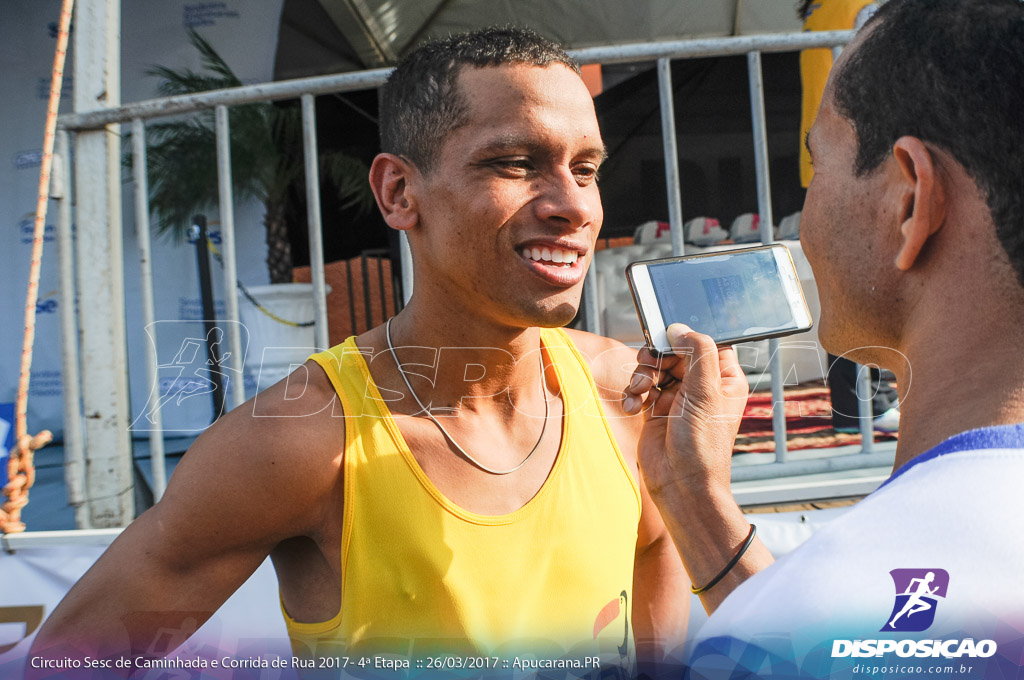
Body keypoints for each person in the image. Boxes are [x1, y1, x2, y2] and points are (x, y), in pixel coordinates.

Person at [29, 27, 689, 674]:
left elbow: (658, 569)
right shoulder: (300, 441)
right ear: (399, 193)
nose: (573, 205)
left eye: (586, 168)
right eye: (514, 163)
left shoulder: (627, 394)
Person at [623, 0, 1024, 675]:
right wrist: (694, 501)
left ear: (907, 203)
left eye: (816, 165)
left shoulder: (790, 622)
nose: (803, 213)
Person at [799, 0, 900, 435]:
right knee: (868, 282)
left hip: (828, 162)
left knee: (849, 284)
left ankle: (860, 405)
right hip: (863, 163)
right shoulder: (865, 6)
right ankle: (866, 405)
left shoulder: (818, 10)